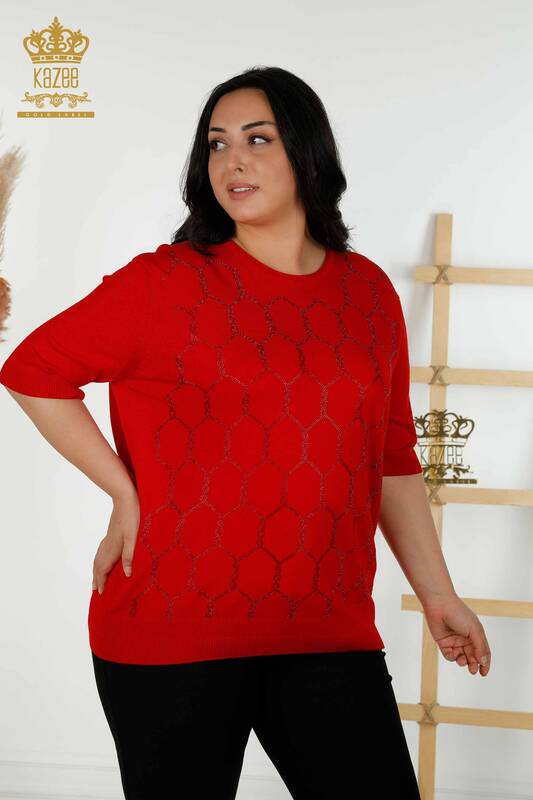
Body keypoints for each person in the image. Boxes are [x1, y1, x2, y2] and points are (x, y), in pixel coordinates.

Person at [0, 65, 491, 800]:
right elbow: (33, 370)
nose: (233, 160)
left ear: (307, 152)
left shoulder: (367, 293)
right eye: (217, 143)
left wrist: (439, 596)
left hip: (326, 628)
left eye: (258, 139)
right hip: (170, 628)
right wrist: (123, 492)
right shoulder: (163, 283)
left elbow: (390, 457)